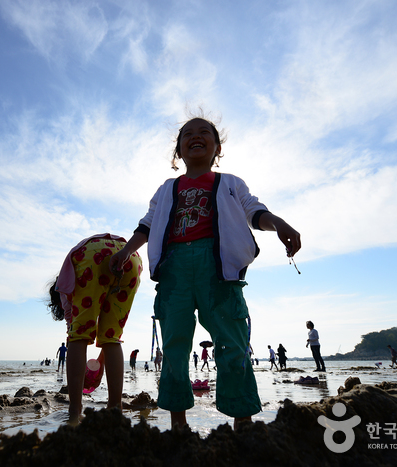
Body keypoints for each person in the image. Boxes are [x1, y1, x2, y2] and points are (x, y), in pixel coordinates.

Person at [108, 115, 301, 430]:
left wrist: (277, 223)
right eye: (187, 134)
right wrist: (126, 250)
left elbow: (254, 211)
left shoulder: (230, 183)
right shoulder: (167, 188)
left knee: (233, 342)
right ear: (178, 152)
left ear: (217, 147)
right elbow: (147, 224)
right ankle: (178, 424)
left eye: (204, 133)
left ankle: (243, 421)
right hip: (174, 271)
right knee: (174, 345)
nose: (195, 137)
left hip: (220, 272)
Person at [47, 233, 143, 422]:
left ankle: (75, 410)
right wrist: (98, 367)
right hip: (131, 256)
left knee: (78, 335)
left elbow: (74, 334)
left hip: (92, 256)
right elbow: (106, 337)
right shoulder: (69, 277)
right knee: (112, 336)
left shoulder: (64, 289)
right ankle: (115, 408)